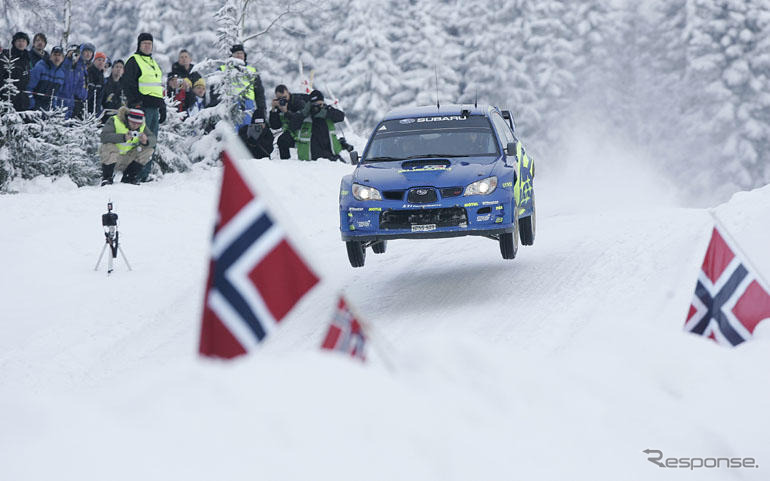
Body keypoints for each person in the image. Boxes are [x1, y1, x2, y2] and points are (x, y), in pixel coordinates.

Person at [122, 32, 165, 181]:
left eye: (150, 44)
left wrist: (162, 105)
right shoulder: (134, 60)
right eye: (145, 43)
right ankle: (133, 174)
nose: (147, 46)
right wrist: (136, 104)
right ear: (139, 45)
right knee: (140, 140)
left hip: (154, 108)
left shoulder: (153, 63)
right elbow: (127, 84)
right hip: (142, 108)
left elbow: (157, 86)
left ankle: (144, 174)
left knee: (151, 141)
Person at [99, 107, 156, 185]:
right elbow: (104, 136)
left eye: (138, 124)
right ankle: (107, 177)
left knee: (148, 150)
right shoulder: (115, 120)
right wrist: (123, 137)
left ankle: (129, 177)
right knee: (109, 146)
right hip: (112, 157)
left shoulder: (142, 126)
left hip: (128, 158)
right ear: (128, 119)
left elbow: (153, 139)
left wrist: (146, 141)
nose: (135, 126)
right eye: (133, 123)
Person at [217, 44, 266, 130]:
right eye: (236, 53)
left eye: (241, 53)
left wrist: (262, 109)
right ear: (231, 56)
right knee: (231, 132)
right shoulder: (223, 69)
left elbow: (259, 93)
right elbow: (215, 90)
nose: (239, 55)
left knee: (246, 132)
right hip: (229, 104)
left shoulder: (252, 71)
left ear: (244, 56)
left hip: (248, 105)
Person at [296, 89, 345, 161]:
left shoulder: (327, 112)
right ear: (310, 105)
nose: (317, 108)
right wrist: (303, 114)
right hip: (311, 157)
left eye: (320, 105)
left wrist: (327, 113)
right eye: (315, 105)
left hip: (330, 154)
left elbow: (341, 116)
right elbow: (293, 125)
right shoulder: (305, 115)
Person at [268, 84, 306, 159]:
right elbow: (275, 126)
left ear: (288, 93)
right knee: (282, 140)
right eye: (280, 98)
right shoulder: (279, 105)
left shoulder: (298, 101)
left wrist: (286, 112)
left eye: (285, 97)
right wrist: (273, 110)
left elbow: (299, 121)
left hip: (304, 130)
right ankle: (285, 162)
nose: (283, 100)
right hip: (291, 132)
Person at [26, 45, 66, 111]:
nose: (57, 57)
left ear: (63, 58)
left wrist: (54, 106)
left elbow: (57, 93)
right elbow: (29, 87)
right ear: (50, 56)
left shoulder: (61, 73)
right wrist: (31, 103)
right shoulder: (40, 67)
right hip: (35, 105)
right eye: (55, 55)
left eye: (59, 55)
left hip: (49, 108)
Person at [0, 32, 32, 111]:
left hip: (22, 98)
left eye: (23, 41)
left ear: (27, 43)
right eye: (18, 41)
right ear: (14, 42)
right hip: (7, 96)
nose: (21, 43)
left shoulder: (28, 57)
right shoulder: (6, 56)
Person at [86, 51, 107, 116]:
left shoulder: (102, 77)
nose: (101, 62)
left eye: (103, 61)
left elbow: (100, 97)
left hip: (95, 109)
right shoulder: (88, 72)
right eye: (99, 60)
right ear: (94, 61)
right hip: (85, 106)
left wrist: (98, 113)